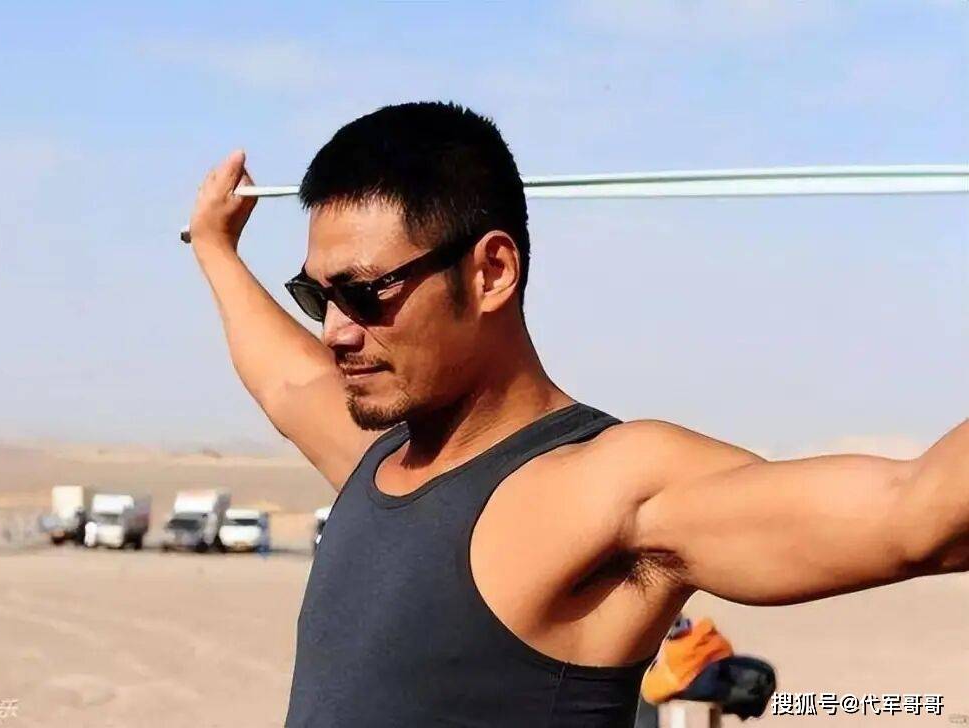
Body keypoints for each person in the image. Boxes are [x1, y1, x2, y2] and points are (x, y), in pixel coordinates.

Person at [186, 101, 967, 727]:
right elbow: (286, 384)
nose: (335, 331)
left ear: (492, 272)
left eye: (364, 294)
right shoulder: (379, 457)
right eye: (317, 296)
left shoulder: (610, 488)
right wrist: (216, 248)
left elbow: (919, 514)